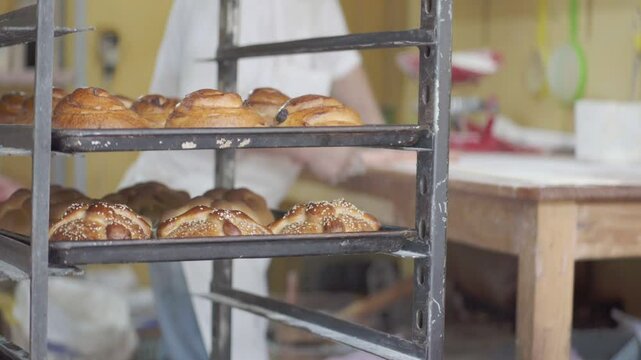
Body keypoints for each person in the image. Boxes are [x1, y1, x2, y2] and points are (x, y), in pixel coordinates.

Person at [120, 1, 384, 359]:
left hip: (246, 223)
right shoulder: (213, 7)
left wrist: (383, 144)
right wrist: (310, 149)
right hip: (187, 212)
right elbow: (208, 114)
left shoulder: (319, 6)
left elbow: (366, 110)